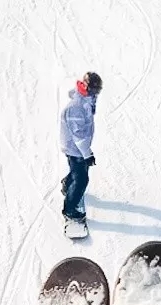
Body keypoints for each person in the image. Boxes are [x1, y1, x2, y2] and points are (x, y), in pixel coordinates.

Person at [60, 72, 102, 222]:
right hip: (75, 148)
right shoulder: (76, 107)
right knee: (82, 179)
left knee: (78, 171)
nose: (96, 94)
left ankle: (67, 185)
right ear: (86, 87)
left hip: (78, 148)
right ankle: (70, 210)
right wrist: (88, 154)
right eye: (94, 91)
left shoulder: (85, 100)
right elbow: (78, 135)